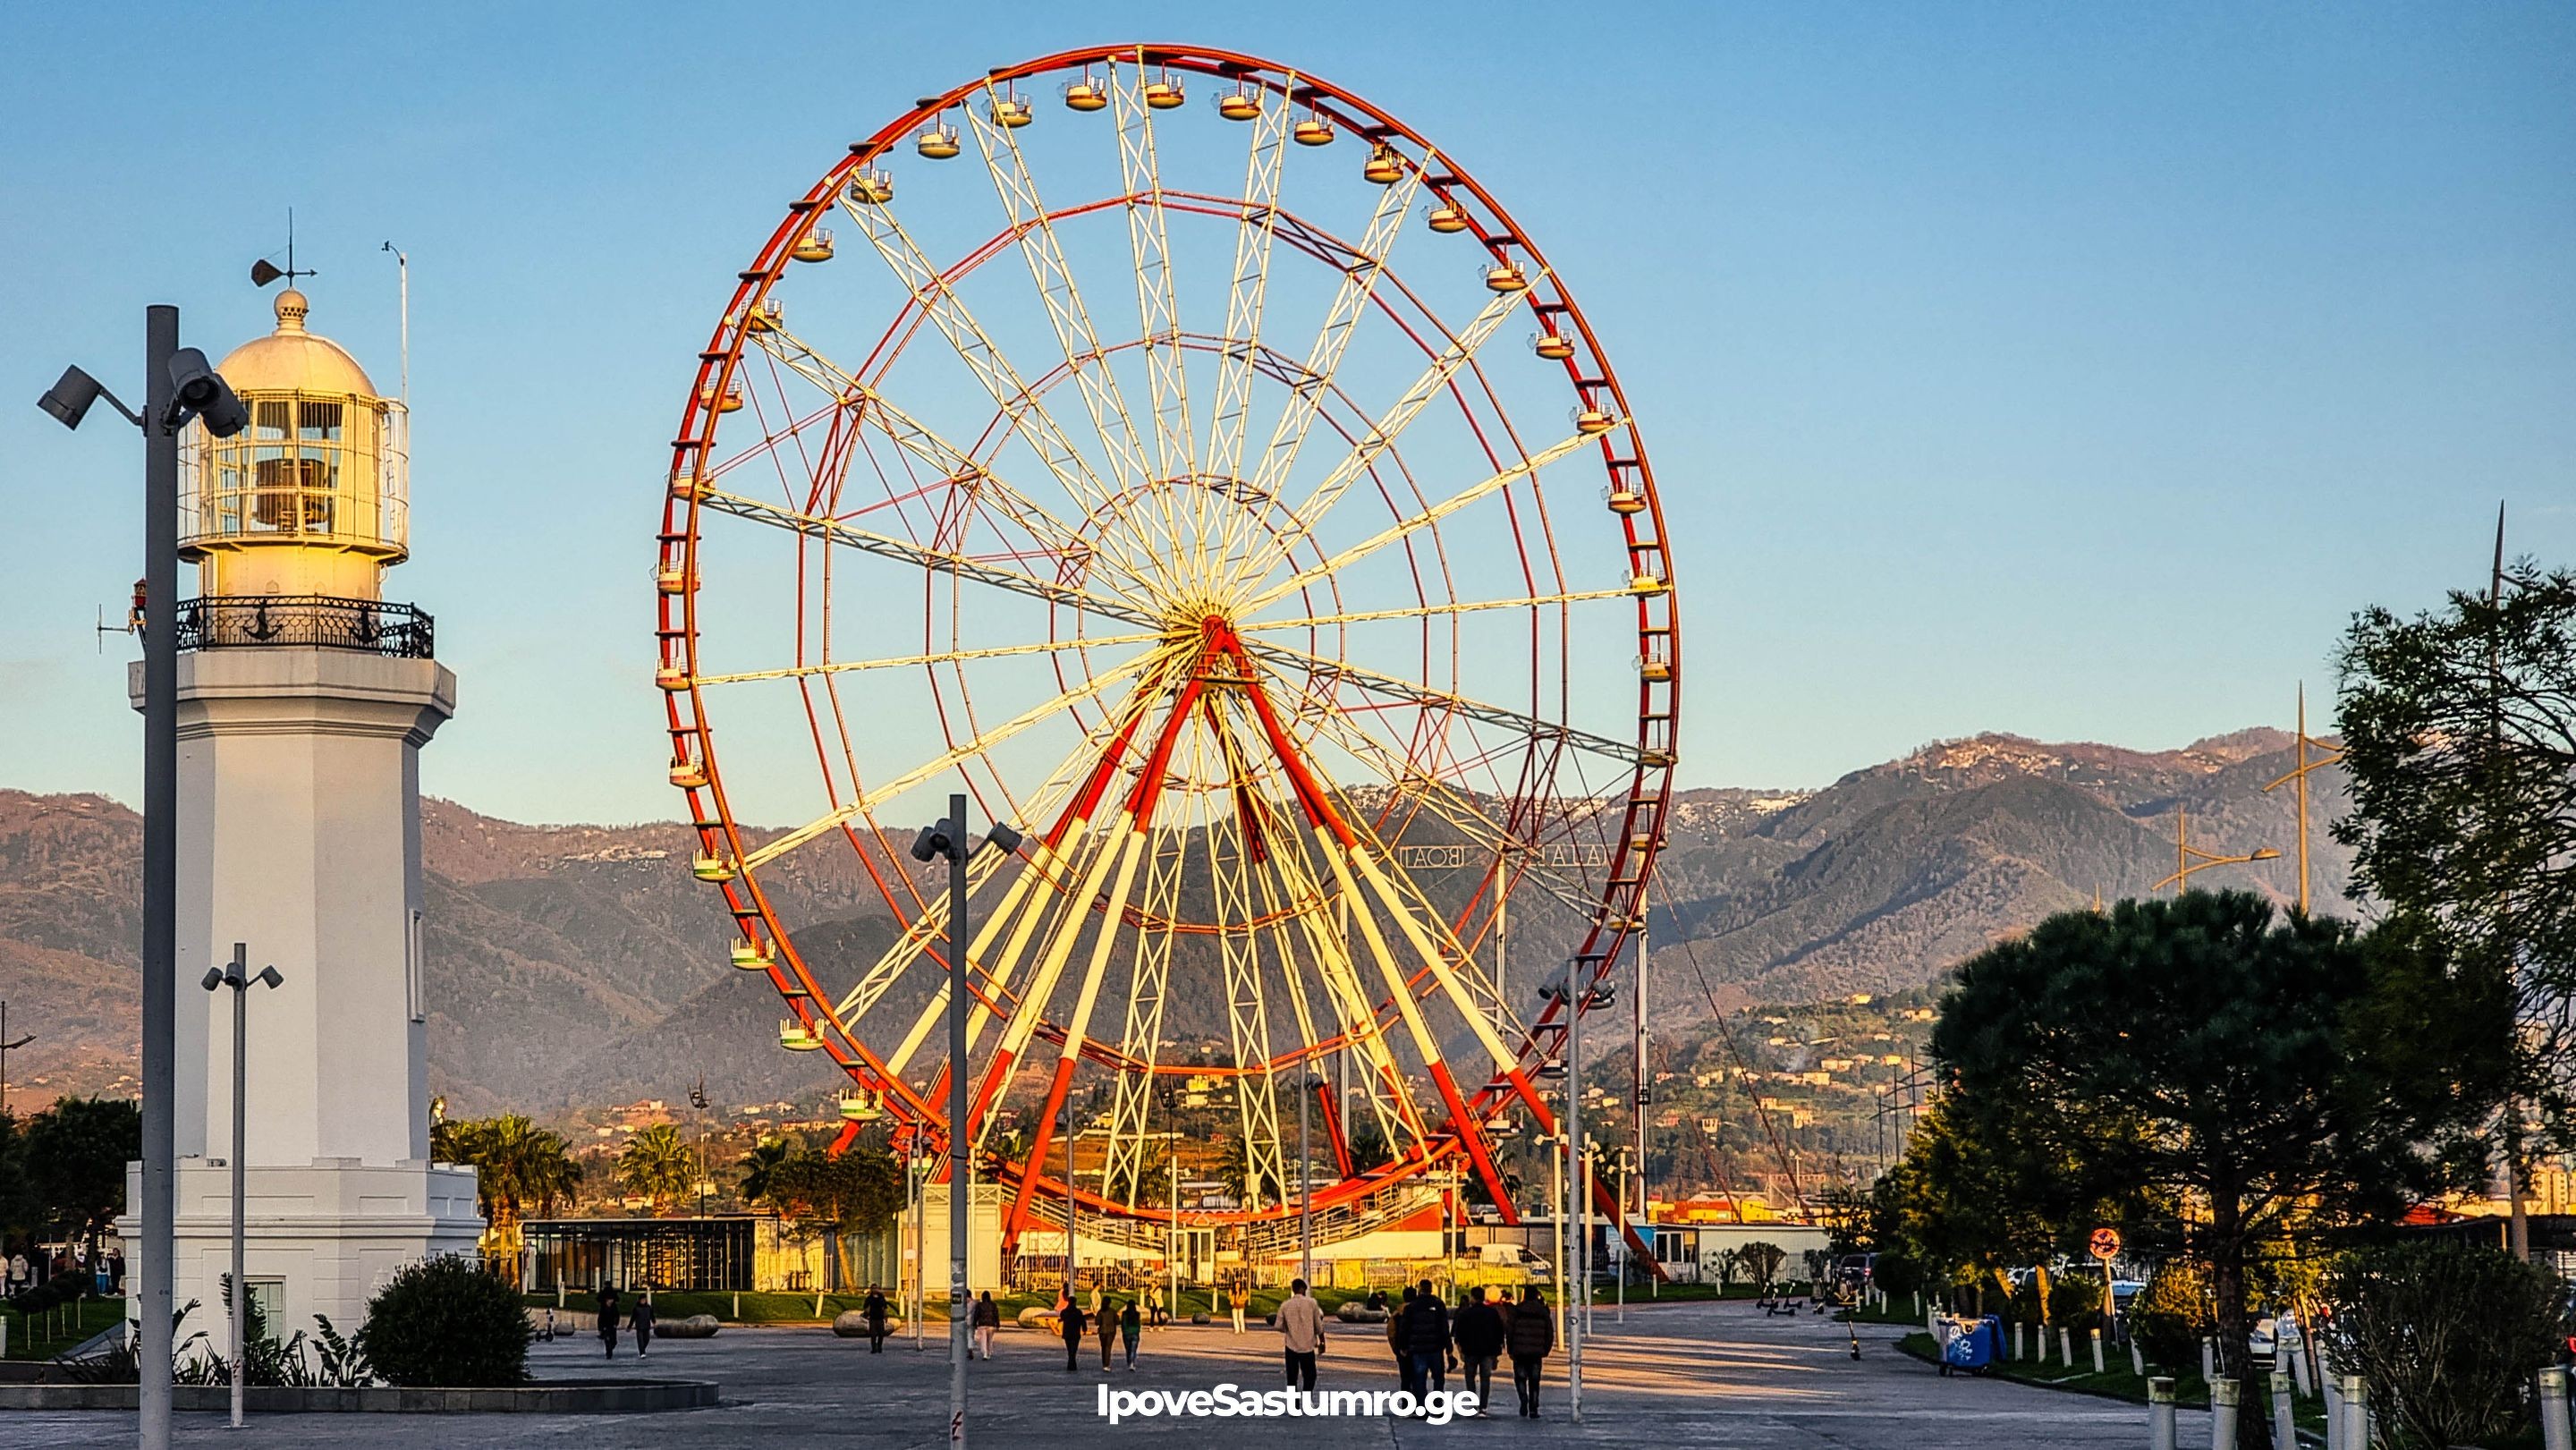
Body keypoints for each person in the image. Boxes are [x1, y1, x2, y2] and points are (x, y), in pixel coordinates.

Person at [1452, 1286, 1504, 1414]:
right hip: (1487, 1351)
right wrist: (1497, 1353)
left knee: (1470, 1377)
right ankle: (1483, 1406)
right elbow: (1499, 1333)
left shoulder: (1465, 1314)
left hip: (1470, 1351)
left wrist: (1461, 1349)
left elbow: (1459, 1333)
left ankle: (1473, 1404)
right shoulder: (1492, 1313)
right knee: (1485, 1378)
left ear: (1472, 1298)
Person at [1507, 1285, 1555, 1419]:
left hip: (1519, 1351)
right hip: (1536, 1352)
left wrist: (1510, 1349)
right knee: (1534, 1381)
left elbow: (1509, 1331)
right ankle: (1533, 1407)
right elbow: (1549, 1332)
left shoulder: (1516, 1311)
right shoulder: (1543, 1312)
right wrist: (1546, 1349)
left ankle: (1523, 1399)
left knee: (1520, 1378)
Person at [1401, 1278, 1450, 1402]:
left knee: (1419, 1378)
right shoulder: (1439, 1304)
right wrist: (1449, 1347)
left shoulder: (1412, 1306)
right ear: (1431, 1289)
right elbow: (1444, 1327)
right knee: (1438, 1378)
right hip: (1435, 1348)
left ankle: (1421, 1406)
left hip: (1418, 1349)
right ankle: (1437, 1405)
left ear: (1419, 1289)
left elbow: (1405, 1328)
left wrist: (1403, 1346)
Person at [1277, 1276, 1326, 1393]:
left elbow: (1278, 1325)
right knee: (1310, 1375)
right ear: (1303, 1289)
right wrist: (1322, 1342)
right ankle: (1306, 1395)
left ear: (1293, 1289)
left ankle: (1294, 1405)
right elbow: (1318, 1325)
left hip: (1291, 1346)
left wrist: (1288, 1329)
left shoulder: (1285, 1305)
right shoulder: (1312, 1303)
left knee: (1292, 1378)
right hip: (1308, 1346)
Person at [1388, 1285, 1414, 1392]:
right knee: (1419, 1378)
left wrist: (1396, 1348)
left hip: (1402, 1350)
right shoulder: (1420, 1312)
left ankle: (1406, 1403)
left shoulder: (1397, 1314)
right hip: (1418, 1349)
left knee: (1405, 1379)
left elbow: (1391, 1333)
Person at [1058, 1297, 1089, 1372]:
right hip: (1075, 1333)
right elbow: (1083, 1321)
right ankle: (1072, 1365)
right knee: (1073, 1350)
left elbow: (1062, 1317)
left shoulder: (1064, 1312)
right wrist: (1084, 1329)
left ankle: (1071, 1365)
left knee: (1070, 1350)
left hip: (1067, 1333)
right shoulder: (1078, 1312)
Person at [972, 1290, 1001, 1361]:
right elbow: (996, 1315)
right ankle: (989, 1352)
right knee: (989, 1340)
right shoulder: (993, 1305)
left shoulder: (979, 1305)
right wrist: (997, 1324)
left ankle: (985, 1353)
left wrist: (974, 1323)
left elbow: (976, 1315)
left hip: (982, 1324)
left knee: (983, 1340)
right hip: (991, 1324)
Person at [597, 1285, 623, 1361]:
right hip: (606, 1326)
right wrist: (601, 1327)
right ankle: (609, 1353)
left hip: (612, 1325)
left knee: (614, 1341)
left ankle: (610, 1349)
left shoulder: (613, 1307)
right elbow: (600, 1318)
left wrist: (615, 1323)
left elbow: (617, 1315)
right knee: (607, 1340)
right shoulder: (604, 1307)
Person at [863, 1285, 890, 1353]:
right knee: (873, 1334)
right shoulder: (869, 1299)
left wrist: (886, 1316)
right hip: (872, 1318)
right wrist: (867, 1314)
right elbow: (866, 1308)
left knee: (881, 1334)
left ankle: (879, 1346)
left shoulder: (881, 1298)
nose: (874, 1290)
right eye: (873, 1288)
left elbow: (885, 1308)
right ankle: (874, 1348)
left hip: (880, 1318)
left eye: (876, 1288)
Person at [629, 1290, 656, 1360]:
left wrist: (653, 1321)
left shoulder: (648, 1307)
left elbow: (652, 1315)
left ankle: (642, 1349)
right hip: (639, 1327)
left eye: (645, 1299)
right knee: (640, 1340)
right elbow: (633, 1318)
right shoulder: (636, 1308)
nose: (643, 1301)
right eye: (642, 1300)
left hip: (647, 1326)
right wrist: (629, 1326)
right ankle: (642, 1353)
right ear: (640, 1300)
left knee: (646, 1339)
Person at [1097, 1295, 1120, 1369]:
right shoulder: (1112, 1311)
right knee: (1108, 1347)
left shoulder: (1100, 1312)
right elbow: (1117, 1321)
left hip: (1102, 1331)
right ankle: (1106, 1364)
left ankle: (1104, 1362)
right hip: (1111, 1331)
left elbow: (1097, 1322)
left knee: (1103, 1347)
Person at [1120, 1298, 1141, 1370]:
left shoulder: (1124, 1314)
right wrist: (1138, 1331)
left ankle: (1129, 1361)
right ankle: (1131, 1363)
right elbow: (1138, 1324)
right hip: (1135, 1333)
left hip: (1126, 1333)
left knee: (1128, 1349)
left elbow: (1123, 1323)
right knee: (1133, 1349)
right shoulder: (1137, 1314)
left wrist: (1124, 1331)